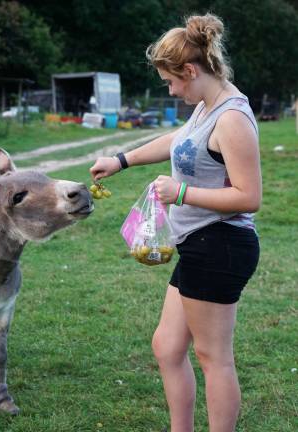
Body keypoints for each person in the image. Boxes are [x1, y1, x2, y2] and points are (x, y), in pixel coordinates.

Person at [89, 13, 261, 432]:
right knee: (167, 347)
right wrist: (121, 160)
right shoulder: (205, 107)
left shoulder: (232, 119)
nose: (169, 89)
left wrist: (180, 193)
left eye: (171, 81)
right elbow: (177, 142)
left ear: (190, 70)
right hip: (198, 243)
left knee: (213, 356)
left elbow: (249, 197)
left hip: (221, 245)